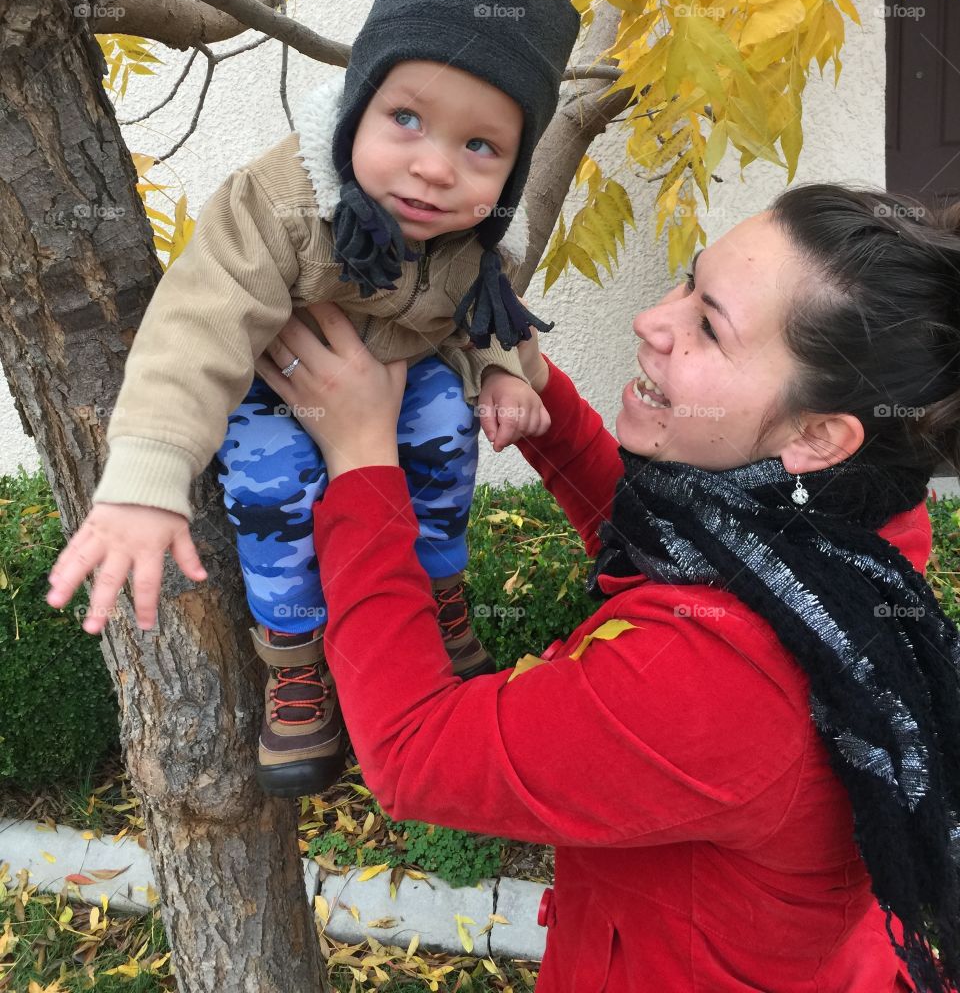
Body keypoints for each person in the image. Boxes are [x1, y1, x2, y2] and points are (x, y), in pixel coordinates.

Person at [251, 185, 960, 993]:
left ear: (818, 435)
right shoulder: (848, 534)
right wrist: (529, 375)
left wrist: (361, 458)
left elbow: (416, 754)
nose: (653, 321)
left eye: (708, 327)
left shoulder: (719, 689)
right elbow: (667, 544)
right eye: (688, 283)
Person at [43, 0, 580, 799]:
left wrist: (504, 372)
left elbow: (485, 314)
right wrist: (146, 480)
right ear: (357, 106)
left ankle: (438, 591)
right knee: (268, 483)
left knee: (448, 426)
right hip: (279, 394)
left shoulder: (472, 238)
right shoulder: (285, 206)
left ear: (513, 163)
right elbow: (197, 328)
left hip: (401, 385)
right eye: (405, 119)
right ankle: (295, 659)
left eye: (480, 147)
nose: (432, 168)